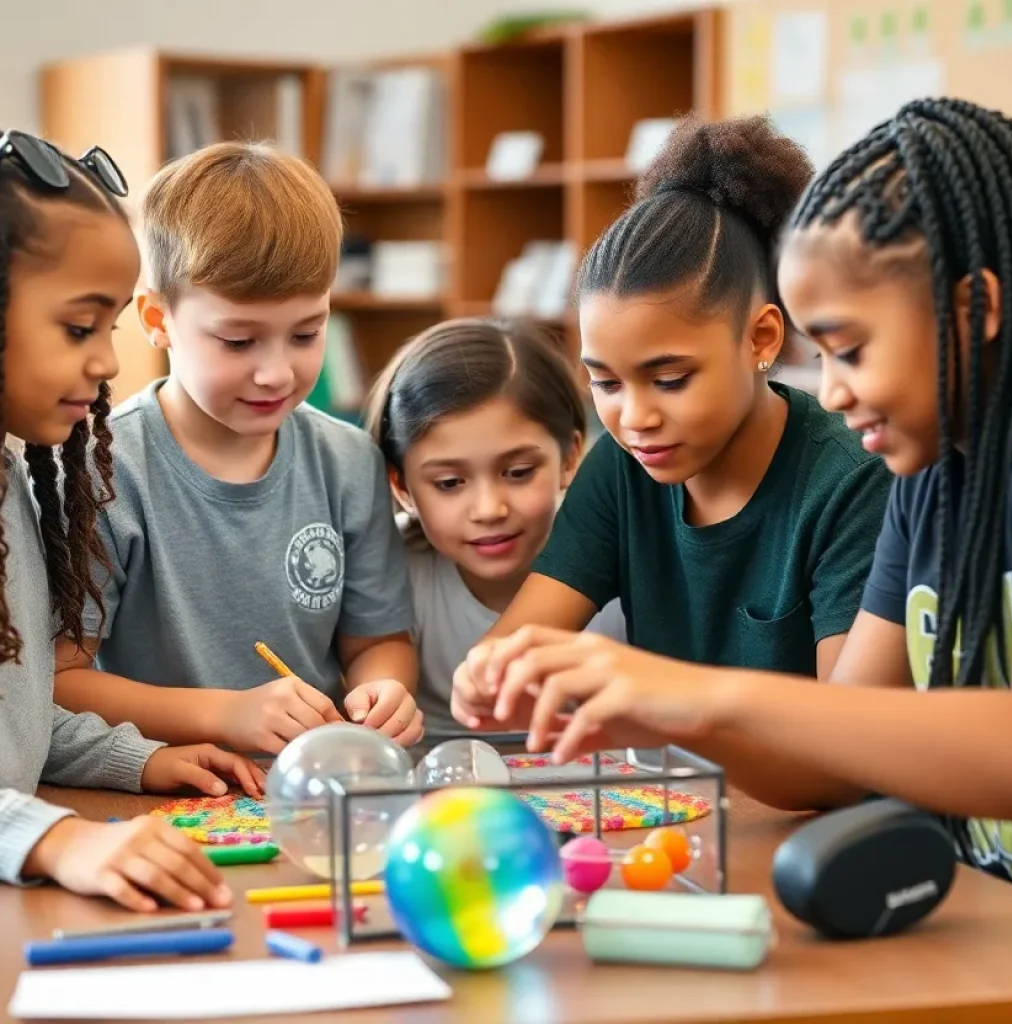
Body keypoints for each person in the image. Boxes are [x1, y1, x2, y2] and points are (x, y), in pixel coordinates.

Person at [471, 98, 1012, 886]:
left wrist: (689, 695)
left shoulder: (876, 475)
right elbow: (837, 747)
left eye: (852, 351)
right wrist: (650, 706)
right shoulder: (925, 483)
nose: (830, 393)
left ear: (974, 311)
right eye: (822, 355)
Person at [451, 114, 892, 799]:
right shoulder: (620, 469)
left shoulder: (848, 481)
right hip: (678, 817)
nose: (634, 417)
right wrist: (490, 672)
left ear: (762, 338)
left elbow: (847, 760)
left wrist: (664, 714)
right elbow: (517, 646)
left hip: (810, 833)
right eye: (604, 382)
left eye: (670, 378)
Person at [53, 142, 422, 755]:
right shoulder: (103, 472)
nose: (276, 373)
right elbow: (64, 682)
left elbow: (376, 641)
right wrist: (226, 715)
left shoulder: (350, 461)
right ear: (156, 319)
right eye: (238, 341)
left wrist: (383, 692)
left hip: (315, 789)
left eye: (307, 333)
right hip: (168, 794)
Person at [0, 130, 261, 907]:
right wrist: (57, 837)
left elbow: (19, 721)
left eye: (109, 329)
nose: (109, 363)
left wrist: (137, 760)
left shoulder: (17, 481)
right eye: (80, 328)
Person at [364, 317, 625, 737]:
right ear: (402, 485)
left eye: (519, 472)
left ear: (571, 457)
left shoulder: (621, 560)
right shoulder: (387, 567)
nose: (489, 509)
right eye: (449, 483)